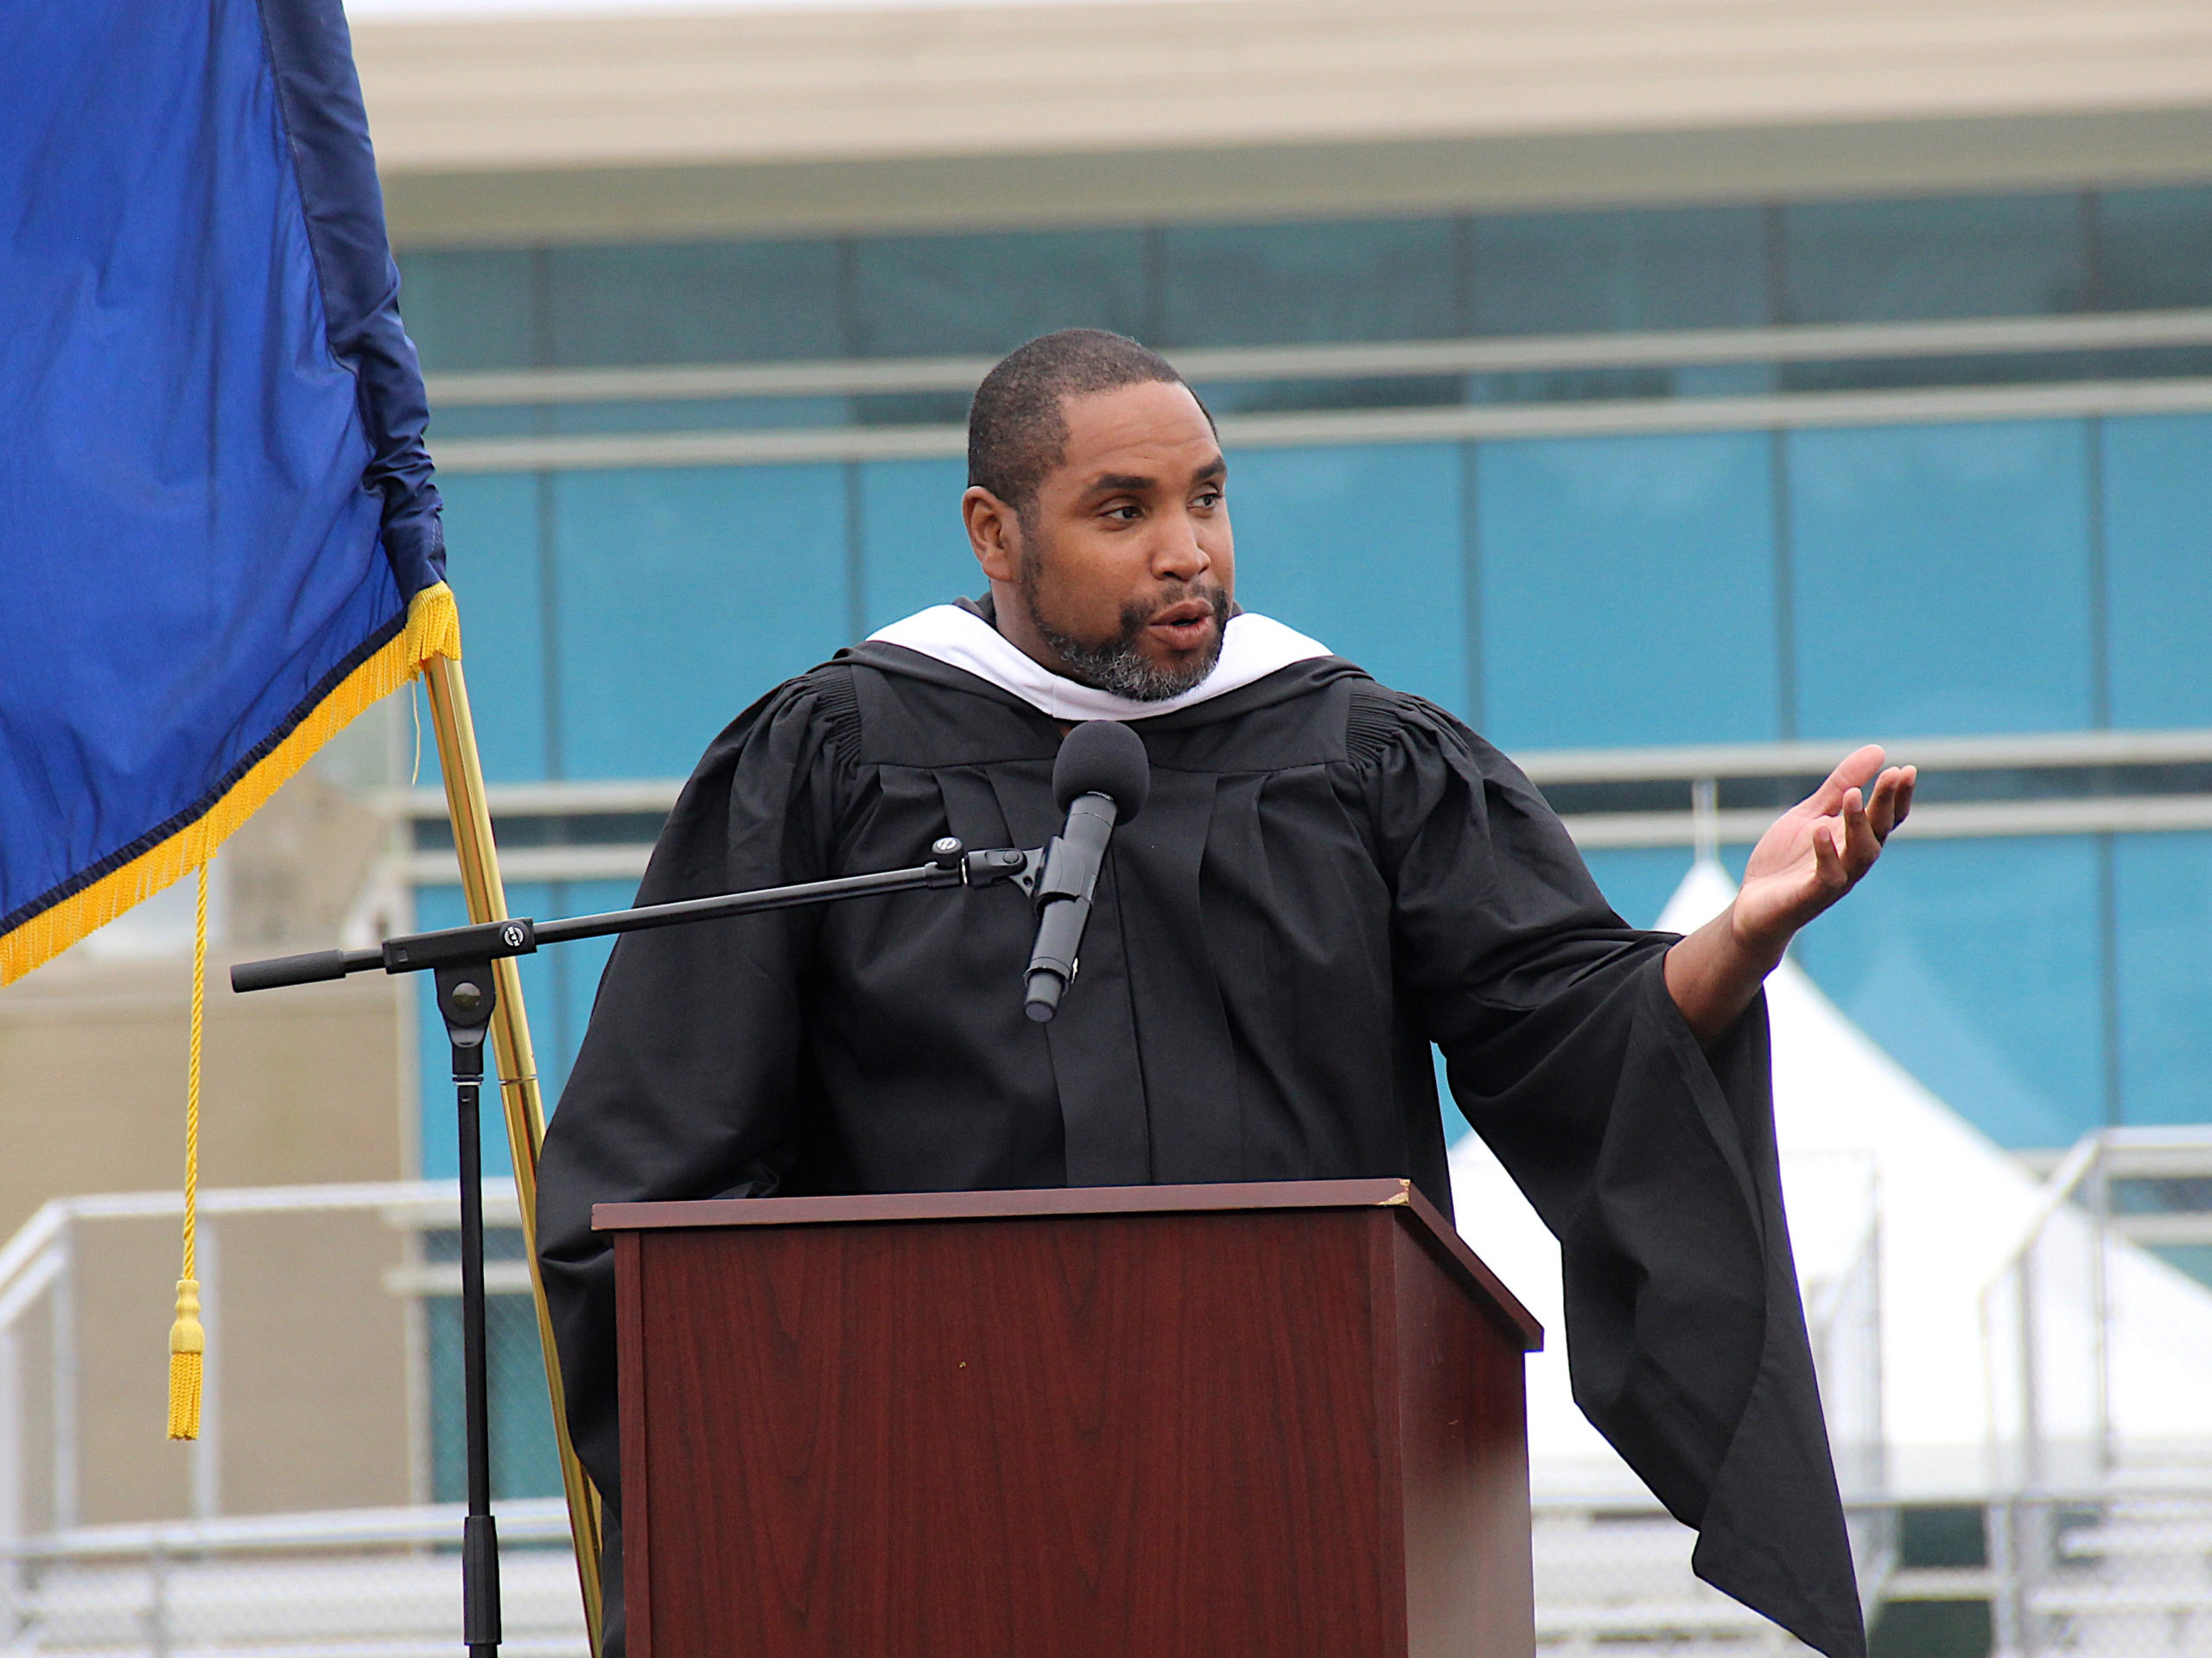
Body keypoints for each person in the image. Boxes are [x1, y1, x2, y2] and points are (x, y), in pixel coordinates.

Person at [537, 329, 1915, 1658]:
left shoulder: (1357, 757)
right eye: (1122, 510)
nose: (1186, 550)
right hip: (922, 1525)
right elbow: (662, 1175)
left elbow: (1565, 1024)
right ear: (994, 533)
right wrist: (802, 1440)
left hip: (1302, 1494)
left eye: (1206, 499)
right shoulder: (836, 760)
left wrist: (1740, 933)